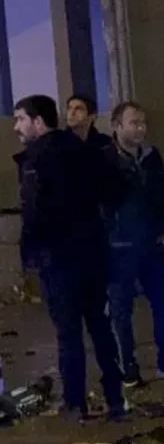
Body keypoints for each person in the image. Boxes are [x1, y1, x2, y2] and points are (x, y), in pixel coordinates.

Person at [14, 94, 128, 422]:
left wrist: (29, 254)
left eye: (21, 119)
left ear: (38, 121)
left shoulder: (38, 158)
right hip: (92, 251)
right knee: (100, 326)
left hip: (59, 257)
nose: (17, 127)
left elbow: (34, 211)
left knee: (68, 333)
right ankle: (115, 397)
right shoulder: (83, 149)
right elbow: (115, 186)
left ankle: (75, 402)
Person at [103, 101, 164, 387]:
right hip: (119, 246)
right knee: (121, 311)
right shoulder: (105, 159)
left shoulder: (151, 156)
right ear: (117, 126)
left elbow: (162, 192)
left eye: (143, 123)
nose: (140, 128)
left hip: (151, 243)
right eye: (133, 123)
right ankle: (127, 368)